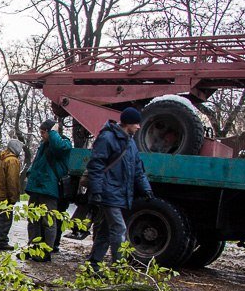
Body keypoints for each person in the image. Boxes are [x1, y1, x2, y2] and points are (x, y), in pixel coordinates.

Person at [86, 107, 153, 270]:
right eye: (136, 123)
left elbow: (138, 168)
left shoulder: (130, 142)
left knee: (105, 231)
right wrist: (96, 191)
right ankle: (119, 267)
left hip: (119, 193)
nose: (139, 127)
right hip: (109, 192)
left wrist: (146, 189)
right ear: (128, 123)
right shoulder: (107, 138)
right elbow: (96, 166)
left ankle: (93, 264)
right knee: (119, 228)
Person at [24, 119, 72, 261]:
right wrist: (30, 174)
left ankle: (45, 251)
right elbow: (37, 163)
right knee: (33, 221)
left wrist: (53, 133)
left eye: (44, 132)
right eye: (41, 132)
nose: (42, 135)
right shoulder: (43, 145)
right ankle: (33, 248)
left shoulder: (63, 143)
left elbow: (58, 148)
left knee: (48, 221)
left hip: (49, 189)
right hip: (36, 188)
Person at [0, 138, 23, 250]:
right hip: (7, 194)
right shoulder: (12, 160)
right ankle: (1, 241)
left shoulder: (4, 158)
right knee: (6, 218)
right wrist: (13, 196)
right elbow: (12, 180)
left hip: (1, 193)